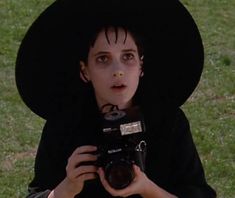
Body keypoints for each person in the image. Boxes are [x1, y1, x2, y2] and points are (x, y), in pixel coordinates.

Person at [15, 0, 217, 197]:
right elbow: (36, 192)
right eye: (103, 59)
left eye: (128, 57)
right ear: (85, 71)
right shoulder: (65, 125)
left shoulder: (168, 123)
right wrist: (65, 189)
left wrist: (147, 189)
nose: (118, 71)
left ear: (141, 66)